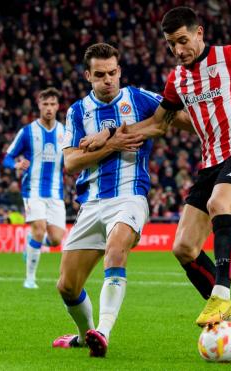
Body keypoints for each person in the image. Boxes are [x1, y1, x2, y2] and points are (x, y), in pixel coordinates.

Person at [81, 7, 231, 327]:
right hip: (211, 164)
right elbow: (157, 125)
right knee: (183, 247)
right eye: (171, 44)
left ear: (199, 33)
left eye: (183, 40)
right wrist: (107, 135)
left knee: (219, 203)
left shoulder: (230, 57)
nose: (178, 50)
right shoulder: (177, 79)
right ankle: (224, 311)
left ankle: (221, 296)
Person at [51, 43, 190, 357]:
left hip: (130, 196)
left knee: (116, 250)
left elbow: (171, 120)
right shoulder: (77, 111)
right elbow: (71, 163)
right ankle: (84, 335)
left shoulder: (137, 98)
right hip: (91, 204)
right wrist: (112, 144)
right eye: (99, 75)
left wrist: (116, 130)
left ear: (119, 71)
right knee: (66, 286)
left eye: (112, 72)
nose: (107, 80)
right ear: (88, 76)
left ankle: (103, 331)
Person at [3, 88, 67, 289]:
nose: (49, 108)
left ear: (58, 106)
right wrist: (16, 165)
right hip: (32, 191)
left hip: (56, 192)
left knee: (56, 240)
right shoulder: (27, 132)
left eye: (52, 104)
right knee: (39, 229)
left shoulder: (65, 132)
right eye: (45, 104)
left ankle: (31, 244)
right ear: (39, 105)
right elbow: (7, 157)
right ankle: (30, 278)